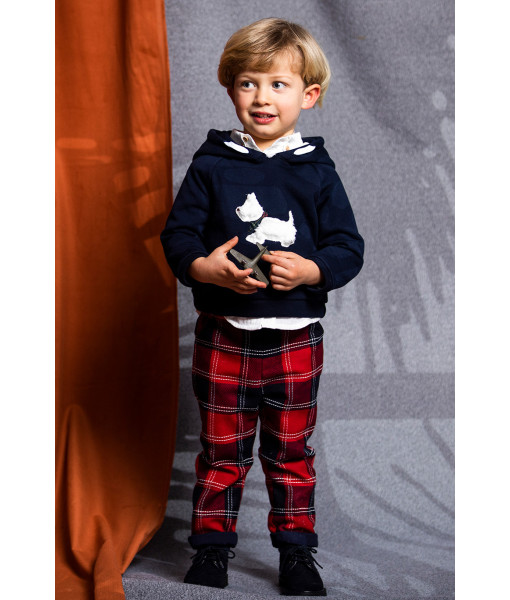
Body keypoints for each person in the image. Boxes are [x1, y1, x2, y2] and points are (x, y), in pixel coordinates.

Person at [160, 17, 364, 596]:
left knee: (290, 451)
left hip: (296, 337)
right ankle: (211, 549)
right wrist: (205, 268)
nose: (262, 98)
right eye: (248, 83)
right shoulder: (212, 162)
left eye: (278, 84)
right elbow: (178, 237)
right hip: (224, 333)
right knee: (222, 451)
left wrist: (313, 270)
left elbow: (348, 247)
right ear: (230, 88)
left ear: (309, 95)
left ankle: (297, 553)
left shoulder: (317, 170)